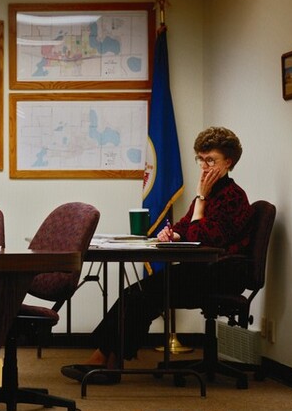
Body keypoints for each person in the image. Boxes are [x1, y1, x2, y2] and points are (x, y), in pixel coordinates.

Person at [61, 126, 254, 384]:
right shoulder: (212, 193)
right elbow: (186, 227)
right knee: (135, 293)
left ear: (228, 162)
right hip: (202, 271)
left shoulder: (232, 197)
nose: (205, 167)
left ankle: (106, 361)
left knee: (142, 296)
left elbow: (203, 238)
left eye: (211, 160)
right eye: (201, 159)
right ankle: (108, 359)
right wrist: (171, 234)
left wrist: (200, 199)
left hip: (221, 275)